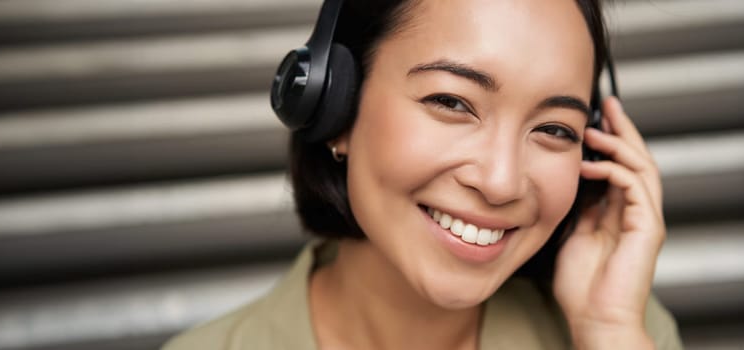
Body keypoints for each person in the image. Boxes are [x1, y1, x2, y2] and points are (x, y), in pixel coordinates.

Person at [164, 0, 682, 348]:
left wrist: (609, 330)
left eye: (554, 129)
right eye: (451, 101)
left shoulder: (626, 330)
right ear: (334, 107)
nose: (501, 181)